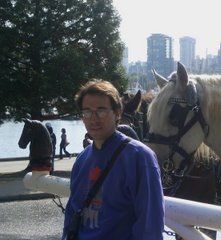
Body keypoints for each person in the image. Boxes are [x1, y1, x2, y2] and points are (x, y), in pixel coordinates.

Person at [61, 79, 164, 240]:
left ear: (117, 113)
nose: (93, 119)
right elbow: (72, 212)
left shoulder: (140, 158)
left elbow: (149, 226)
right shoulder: (82, 159)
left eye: (101, 110)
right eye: (87, 111)